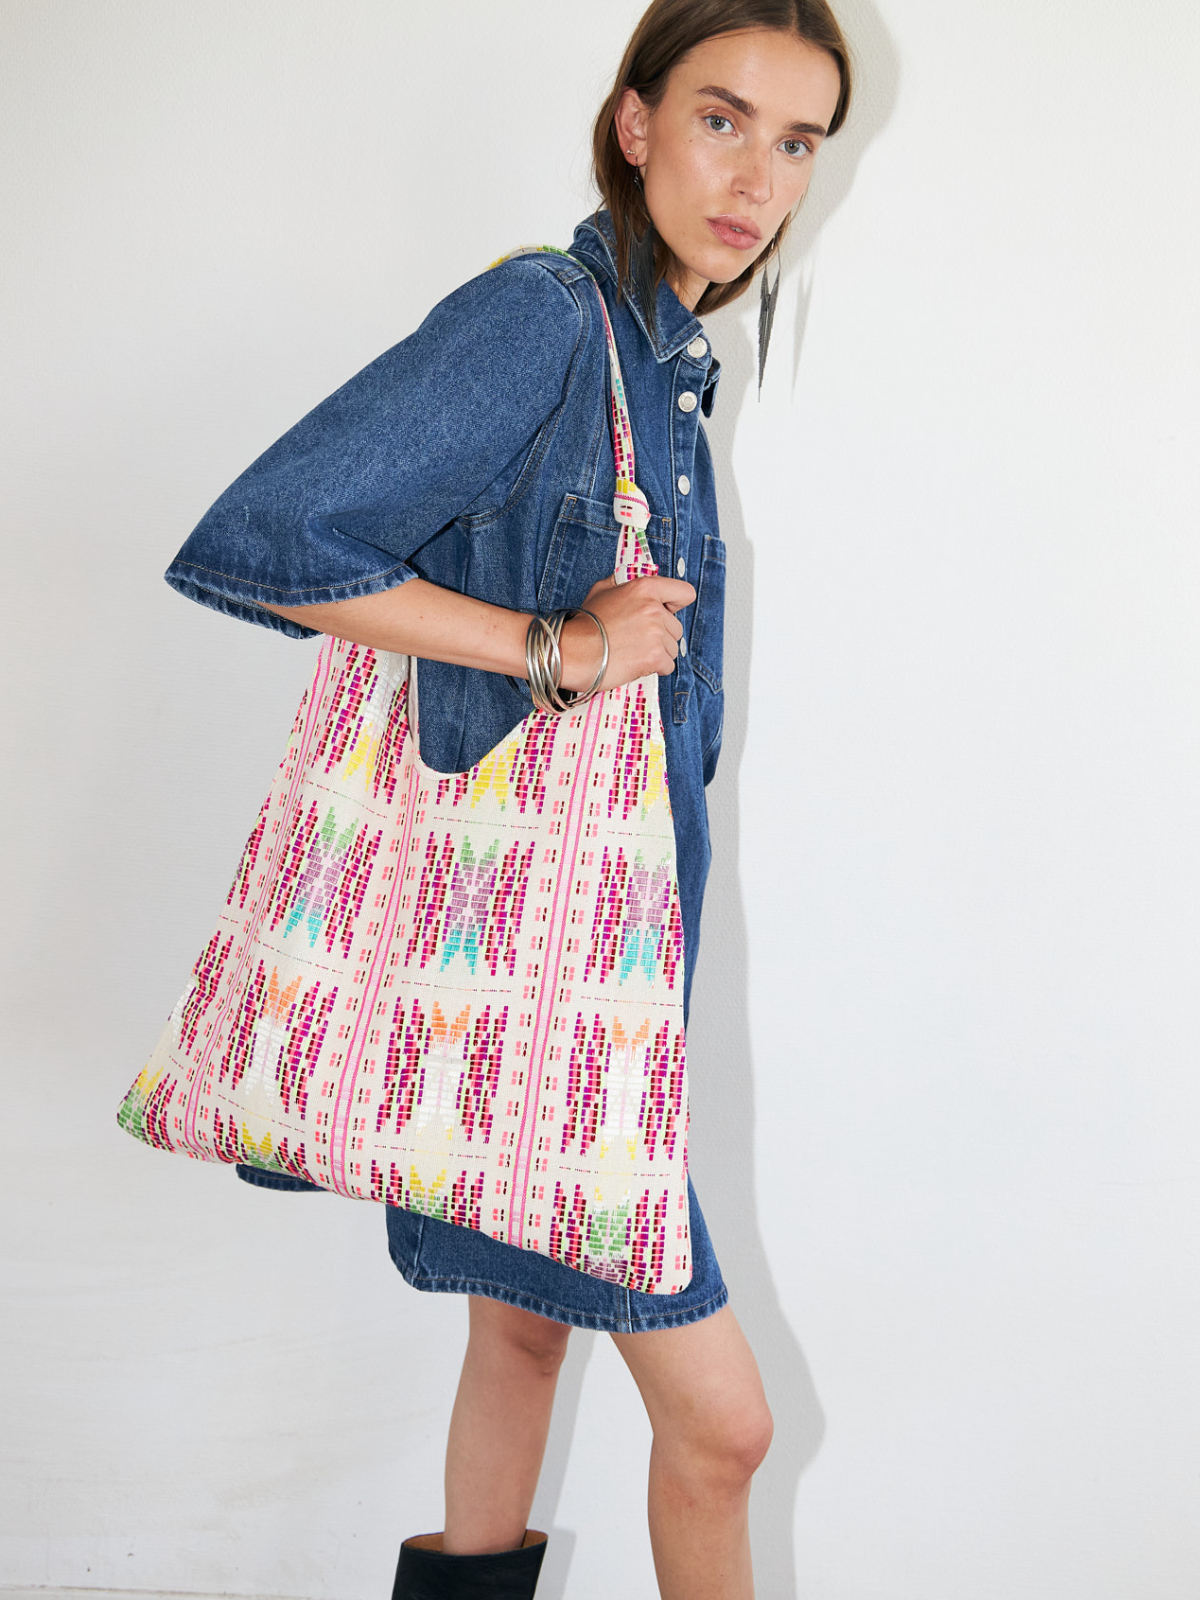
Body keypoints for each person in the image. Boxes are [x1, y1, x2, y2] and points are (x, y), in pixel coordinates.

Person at [163, 2, 851, 1595]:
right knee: (727, 1432)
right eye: (721, 119)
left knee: (523, 1343)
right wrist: (562, 649)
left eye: (798, 140)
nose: (757, 176)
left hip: (571, 1006)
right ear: (635, 124)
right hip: (518, 1013)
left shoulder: (666, 374)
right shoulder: (548, 320)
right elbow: (267, 540)